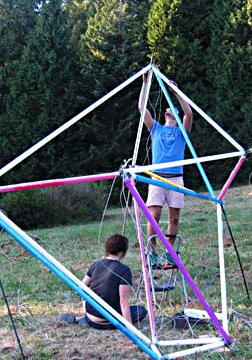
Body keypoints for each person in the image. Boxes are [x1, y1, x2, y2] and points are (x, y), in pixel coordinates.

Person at [138, 73, 193, 263]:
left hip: (176, 178)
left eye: (173, 109)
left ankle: (169, 252)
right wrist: (145, 82)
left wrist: (175, 91)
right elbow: (141, 108)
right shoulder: (156, 129)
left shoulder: (181, 132)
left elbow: (189, 113)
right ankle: (151, 252)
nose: (170, 109)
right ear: (164, 114)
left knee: (174, 218)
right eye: (168, 108)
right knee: (154, 215)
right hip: (157, 178)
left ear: (176, 116)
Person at [60, 234, 146, 329]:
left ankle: (81, 319)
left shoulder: (96, 264)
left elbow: (80, 289)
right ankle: (105, 321)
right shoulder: (124, 270)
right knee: (141, 311)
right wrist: (131, 329)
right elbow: (123, 302)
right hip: (108, 320)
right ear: (123, 251)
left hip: (90, 316)